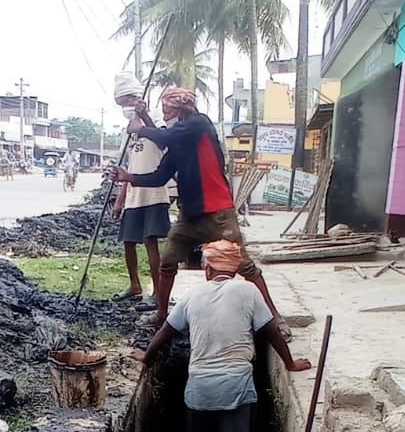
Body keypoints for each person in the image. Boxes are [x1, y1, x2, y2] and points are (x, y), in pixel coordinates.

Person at [134, 240, 311, 432]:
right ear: (235, 270)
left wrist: (146, 356)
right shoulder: (248, 291)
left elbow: (166, 332)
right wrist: (289, 362)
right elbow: (271, 331)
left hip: (199, 388)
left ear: (207, 269)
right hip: (236, 384)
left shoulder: (193, 295)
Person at [115, 86, 287, 335]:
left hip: (217, 211)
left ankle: (274, 318)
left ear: (181, 108)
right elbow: (159, 176)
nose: (165, 115)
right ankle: (162, 315)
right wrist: (128, 176)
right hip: (190, 215)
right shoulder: (179, 139)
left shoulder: (198, 124)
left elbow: (164, 137)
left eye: (167, 109)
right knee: (168, 261)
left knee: (244, 265)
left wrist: (140, 128)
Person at [111, 72, 170, 314]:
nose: (124, 107)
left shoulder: (154, 115)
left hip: (154, 191)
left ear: (135, 97)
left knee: (150, 241)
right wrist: (120, 199)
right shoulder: (129, 128)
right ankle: (135, 285)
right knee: (128, 241)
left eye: (126, 102)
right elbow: (130, 166)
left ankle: (156, 292)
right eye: (120, 104)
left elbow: (163, 142)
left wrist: (144, 118)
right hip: (134, 192)